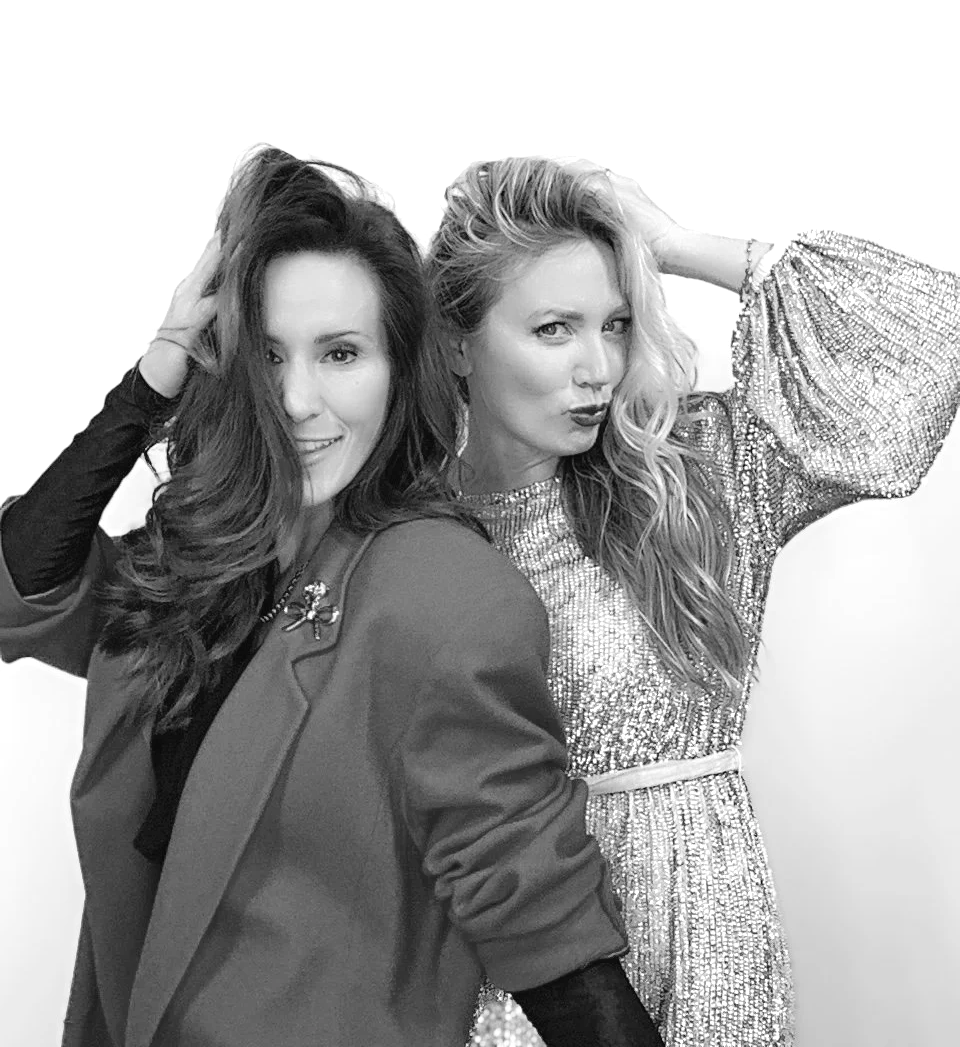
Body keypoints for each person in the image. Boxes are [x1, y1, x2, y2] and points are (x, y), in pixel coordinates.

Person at [0, 149, 667, 1047]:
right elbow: (22, 587)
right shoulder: (201, 559)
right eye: (267, 355)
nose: (296, 401)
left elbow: (543, 924)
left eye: (342, 354)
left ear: (402, 369)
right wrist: (155, 372)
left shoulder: (443, 592)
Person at [426, 155, 960, 1047]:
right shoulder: (413, 537)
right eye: (555, 329)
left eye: (618, 323)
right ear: (454, 342)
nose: (599, 366)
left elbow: (931, 345)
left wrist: (678, 246)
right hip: (514, 958)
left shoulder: (693, 475)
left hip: (713, 934)